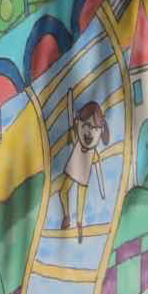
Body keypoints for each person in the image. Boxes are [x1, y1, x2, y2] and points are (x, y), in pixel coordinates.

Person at [58, 91, 109, 243]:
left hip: (81, 175)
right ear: (79, 124)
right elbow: (72, 127)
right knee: (63, 192)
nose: (89, 132)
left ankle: (78, 225)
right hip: (75, 171)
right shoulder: (78, 139)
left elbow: (98, 166)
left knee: (77, 201)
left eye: (94, 129)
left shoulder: (92, 151)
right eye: (86, 126)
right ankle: (68, 217)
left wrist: (102, 190)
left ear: (100, 131)